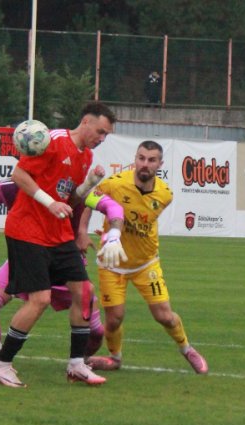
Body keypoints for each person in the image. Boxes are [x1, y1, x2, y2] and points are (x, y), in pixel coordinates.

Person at [0, 102, 117, 388]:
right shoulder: (52, 141)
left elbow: (70, 198)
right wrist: (49, 203)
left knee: (84, 292)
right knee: (40, 299)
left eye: (106, 135)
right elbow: (19, 175)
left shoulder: (86, 156)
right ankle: (1, 364)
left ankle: (77, 365)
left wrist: (89, 183)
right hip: (27, 231)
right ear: (85, 122)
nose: (102, 138)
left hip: (58, 234)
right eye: (100, 131)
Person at [0, 170, 125, 370]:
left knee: (96, 333)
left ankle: (80, 363)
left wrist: (113, 235)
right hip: (26, 258)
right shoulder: (12, 186)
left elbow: (112, 206)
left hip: (65, 264)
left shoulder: (71, 187)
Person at [81, 140, 208, 375]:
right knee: (114, 319)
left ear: (160, 164)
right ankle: (115, 358)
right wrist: (82, 232)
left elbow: (143, 219)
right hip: (112, 262)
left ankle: (187, 349)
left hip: (146, 263)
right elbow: (88, 200)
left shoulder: (165, 194)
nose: (145, 164)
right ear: (135, 159)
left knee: (165, 316)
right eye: (141, 158)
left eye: (151, 160)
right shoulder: (115, 184)